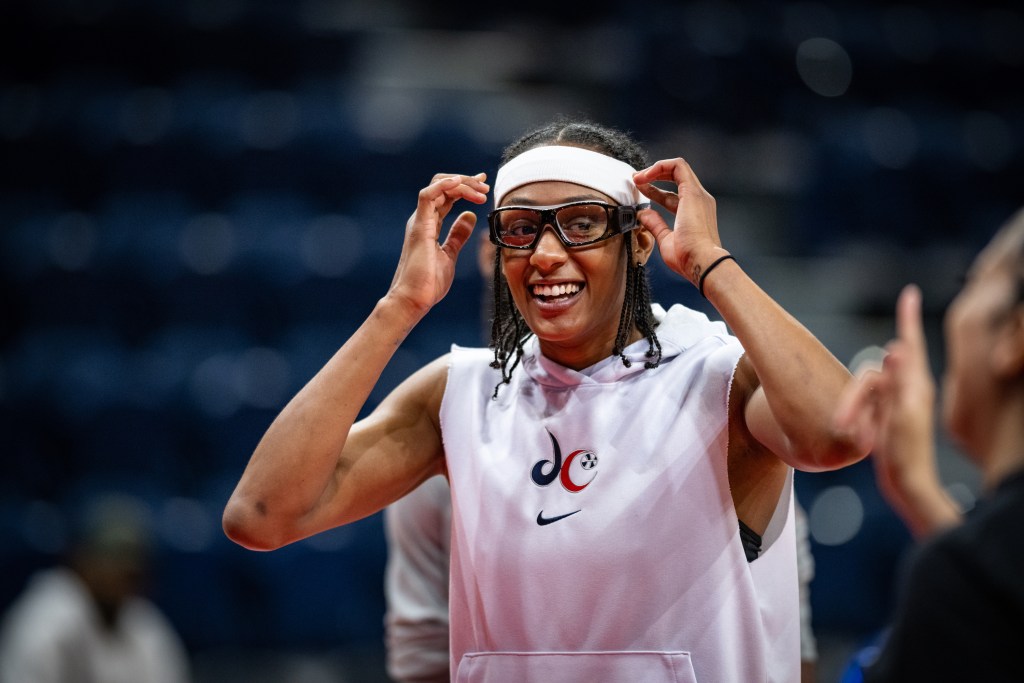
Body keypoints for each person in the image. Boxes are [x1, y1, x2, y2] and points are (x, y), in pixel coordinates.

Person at [223, 117, 868, 682]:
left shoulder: (718, 377)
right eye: (522, 229)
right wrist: (398, 309)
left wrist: (710, 264)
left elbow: (838, 433)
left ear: (638, 240)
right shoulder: (459, 392)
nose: (546, 255)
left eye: (581, 225)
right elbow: (260, 514)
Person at [832, 208, 1024, 683]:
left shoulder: (956, 578)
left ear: (1015, 337)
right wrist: (920, 490)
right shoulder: (980, 567)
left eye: (972, 283)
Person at [0, 494, 192, 683]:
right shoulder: (46, 620)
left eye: (132, 564)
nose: (124, 571)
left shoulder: (145, 623)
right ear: (82, 558)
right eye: (114, 558)